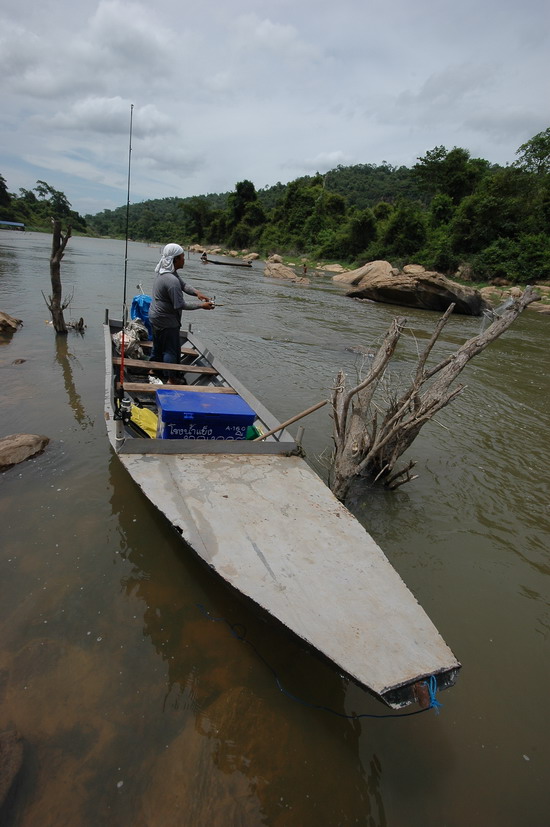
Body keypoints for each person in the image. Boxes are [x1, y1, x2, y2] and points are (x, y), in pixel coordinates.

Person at [148, 243, 213, 382]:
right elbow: (180, 305)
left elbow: (183, 285)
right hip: (166, 320)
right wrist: (202, 306)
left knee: (158, 345)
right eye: (183, 257)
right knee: (170, 350)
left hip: (155, 316)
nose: (184, 259)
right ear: (175, 259)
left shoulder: (166, 272)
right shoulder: (171, 281)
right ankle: (171, 379)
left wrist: (197, 293)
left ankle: (154, 368)